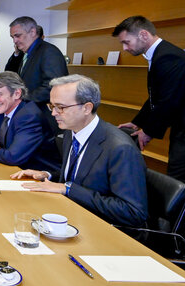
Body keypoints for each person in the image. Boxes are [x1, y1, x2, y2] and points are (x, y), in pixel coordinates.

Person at [10, 75, 148, 227]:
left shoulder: (120, 148)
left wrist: (68, 189)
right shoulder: (71, 131)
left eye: (60, 107)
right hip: (70, 216)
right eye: (52, 106)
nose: (53, 113)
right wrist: (47, 175)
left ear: (86, 108)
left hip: (102, 229)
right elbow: (79, 177)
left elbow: (133, 212)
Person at [113, 16, 185, 190]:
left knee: (181, 187)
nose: (124, 48)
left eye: (127, 42)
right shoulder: (161, 54)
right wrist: (138, 122)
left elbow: (168, 101)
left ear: (144, 35)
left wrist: (147, 131)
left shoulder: (169, 57)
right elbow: (156, 97)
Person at [0, 71, 59, 172]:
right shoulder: (0, 112)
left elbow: (12, 157)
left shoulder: (29, 116)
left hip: (38, 177)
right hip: (12, 171)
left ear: (17, 94)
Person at [9, 17, 67, 129]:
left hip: (43, 120)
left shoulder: (49, 52)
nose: (14, 41)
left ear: (32, 32)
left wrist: (20, 99)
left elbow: (54, 86)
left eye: (18, 35)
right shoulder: (27, 53)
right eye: (12, 37)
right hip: (30, 117)